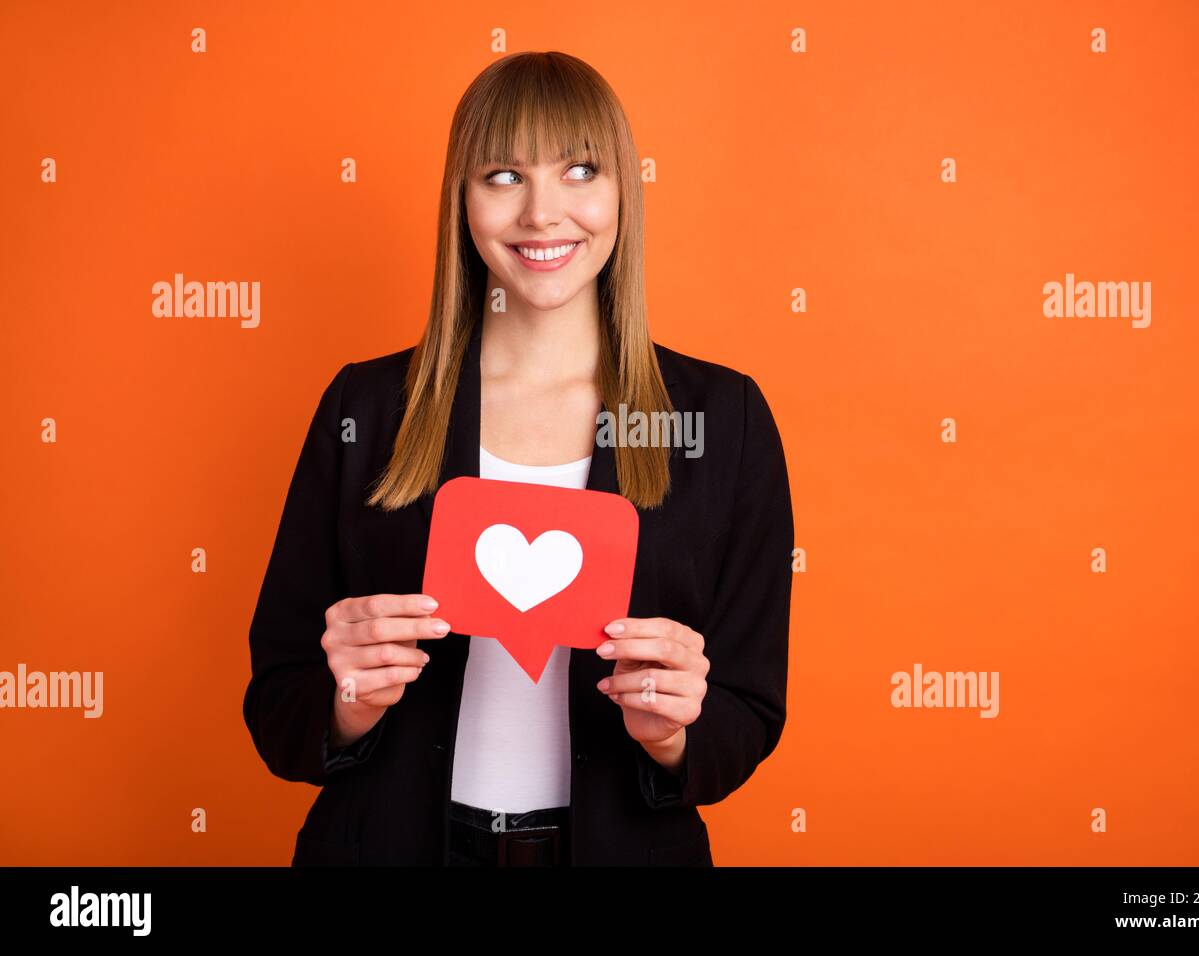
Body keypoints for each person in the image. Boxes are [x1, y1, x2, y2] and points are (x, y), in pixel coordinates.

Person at [242, 50, 794, 866]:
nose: (544, 213)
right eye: (503, 175)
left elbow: (748, 713)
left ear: (622, 195)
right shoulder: (365, 408)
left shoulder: (723, 417)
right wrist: (347, 698)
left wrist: (676, 732)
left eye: (579, 170)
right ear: (462, 200)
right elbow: (279, 706)